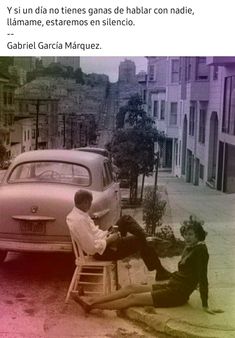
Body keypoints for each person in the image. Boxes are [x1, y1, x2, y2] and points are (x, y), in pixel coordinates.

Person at [73, 215, 223, 315]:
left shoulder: (201, 251)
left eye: (192, 235)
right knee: (130, 288)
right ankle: (92, 300)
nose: (188, 238)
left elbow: (203, 278)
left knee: (132, 298)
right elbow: (190, 274)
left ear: (198, 235)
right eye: (186, 234)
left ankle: (91, 304)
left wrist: (205, 305)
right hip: (172, 284)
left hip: (177, 294)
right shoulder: (190, 247)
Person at [66, 189, 171, 281]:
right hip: (102, 253)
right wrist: (110, 239)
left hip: (104, 243)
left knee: (125, 219)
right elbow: (91, 248)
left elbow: (95, 234)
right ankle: (159, 267)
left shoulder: (79, 214)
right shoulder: (79, 220)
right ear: (85, 202)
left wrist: (108, 233)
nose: (90, 205)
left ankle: (146, 236)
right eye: (90, 203)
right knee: (140, 240)